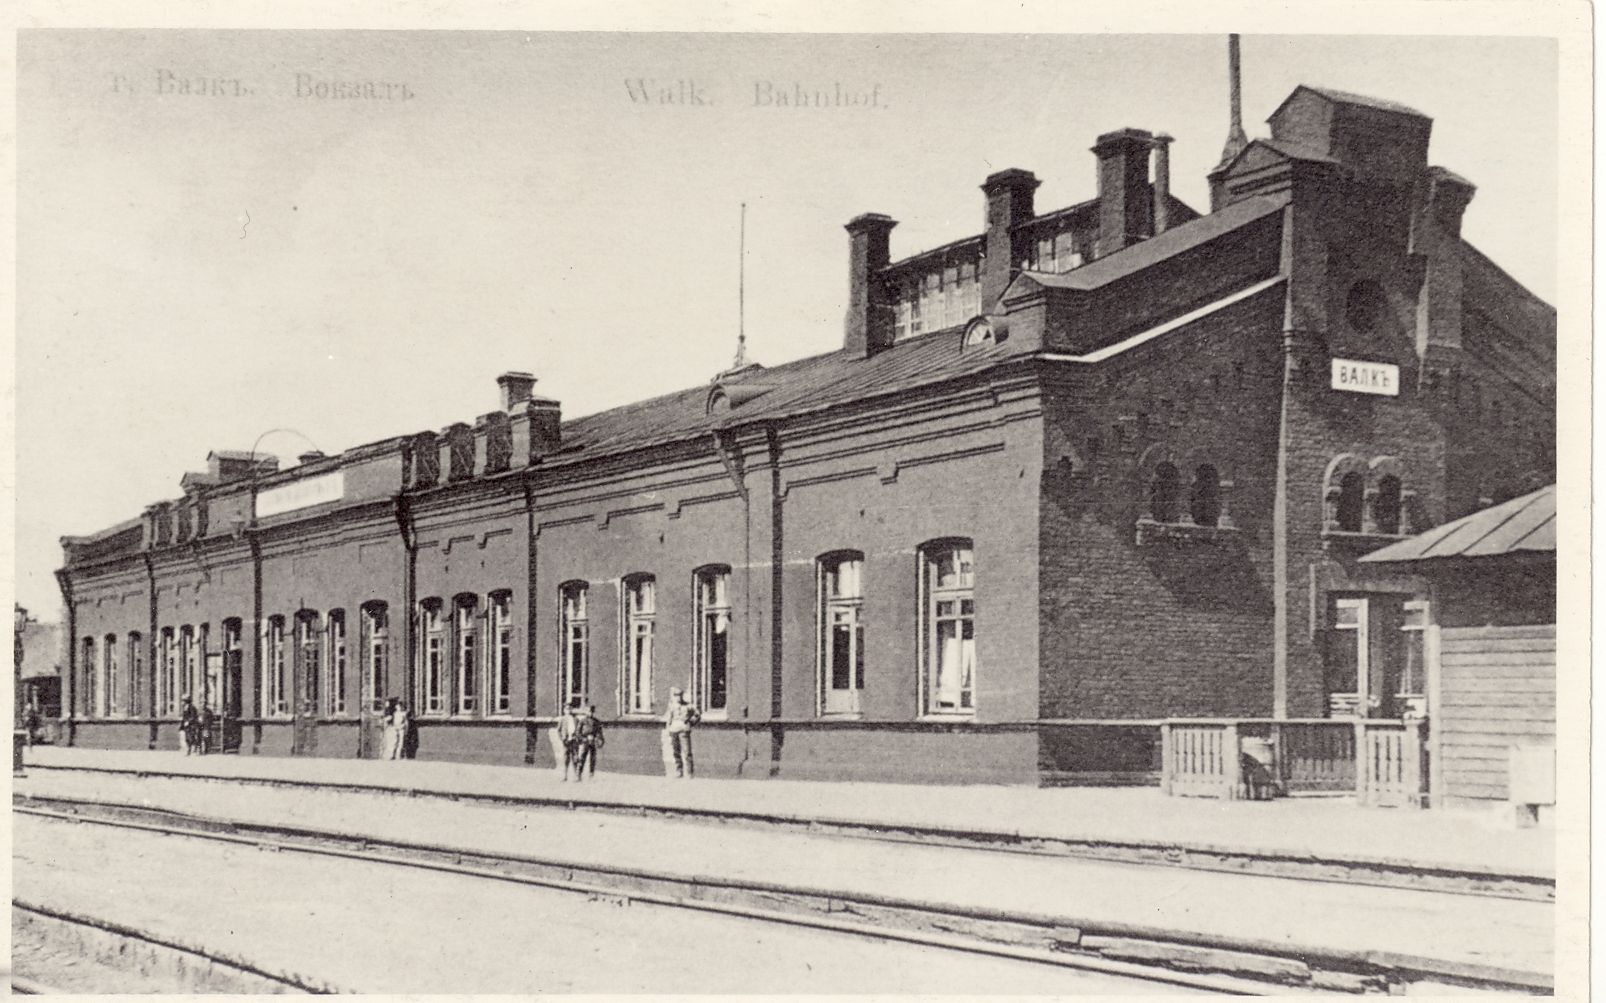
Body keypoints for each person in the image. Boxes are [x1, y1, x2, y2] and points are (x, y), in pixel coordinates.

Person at [662, 686, 699, 779]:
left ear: (682, 696)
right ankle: (679, 771)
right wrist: (668, 730)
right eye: (676, 696)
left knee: (687, 752)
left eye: (680, 695)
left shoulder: (688, 706)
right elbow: (669, 719)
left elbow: (697, 714)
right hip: (674, 729)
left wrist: (690, 722)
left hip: (683, 730)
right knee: (676, 752)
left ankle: (690, 772)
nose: (678, 697)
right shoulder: (672, 706)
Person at [573, 704, 605, 780]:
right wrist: (583, 738)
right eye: (588, 711)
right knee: (582, 758)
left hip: (593, 741)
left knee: (592, 758)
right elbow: (577, 732)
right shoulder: (582, 721)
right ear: (585, 712)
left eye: (591, 711)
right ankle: (578, 775)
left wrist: (598, 739)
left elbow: (599, 732)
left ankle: (591, 774)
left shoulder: (596, 721)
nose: (590, 713)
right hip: (585, 741)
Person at [556, 700, 582, 781]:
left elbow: (579, 730)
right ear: (564, 710)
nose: (568, 710)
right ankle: (565, 776)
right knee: (566, 759)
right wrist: (562, 738)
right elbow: (558, 730)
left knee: (575, 758)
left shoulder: (576, 719)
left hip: (574, 741)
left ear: (572, 709)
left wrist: (578, 738)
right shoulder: (562, 719)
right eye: (567, 709)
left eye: (570, 708)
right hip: (566, 741)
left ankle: (576, 776)